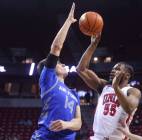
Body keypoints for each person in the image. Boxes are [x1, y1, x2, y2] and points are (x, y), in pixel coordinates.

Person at [31, 3, 82, 140]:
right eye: (59, 63)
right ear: (50, 70)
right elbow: (57, 47)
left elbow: (78, 123)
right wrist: (68, 21)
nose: (63, 63)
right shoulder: (49, 81)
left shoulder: (73, 93)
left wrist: (66, 124)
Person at [76, 35, 141, 139]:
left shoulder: (133, 91)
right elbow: (80, 69)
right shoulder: (104, 86)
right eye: (113, 68)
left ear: (127, 75)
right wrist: (93, 45)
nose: (113, 71)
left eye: (117, 69)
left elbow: (129, 108)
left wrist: (116, 87)